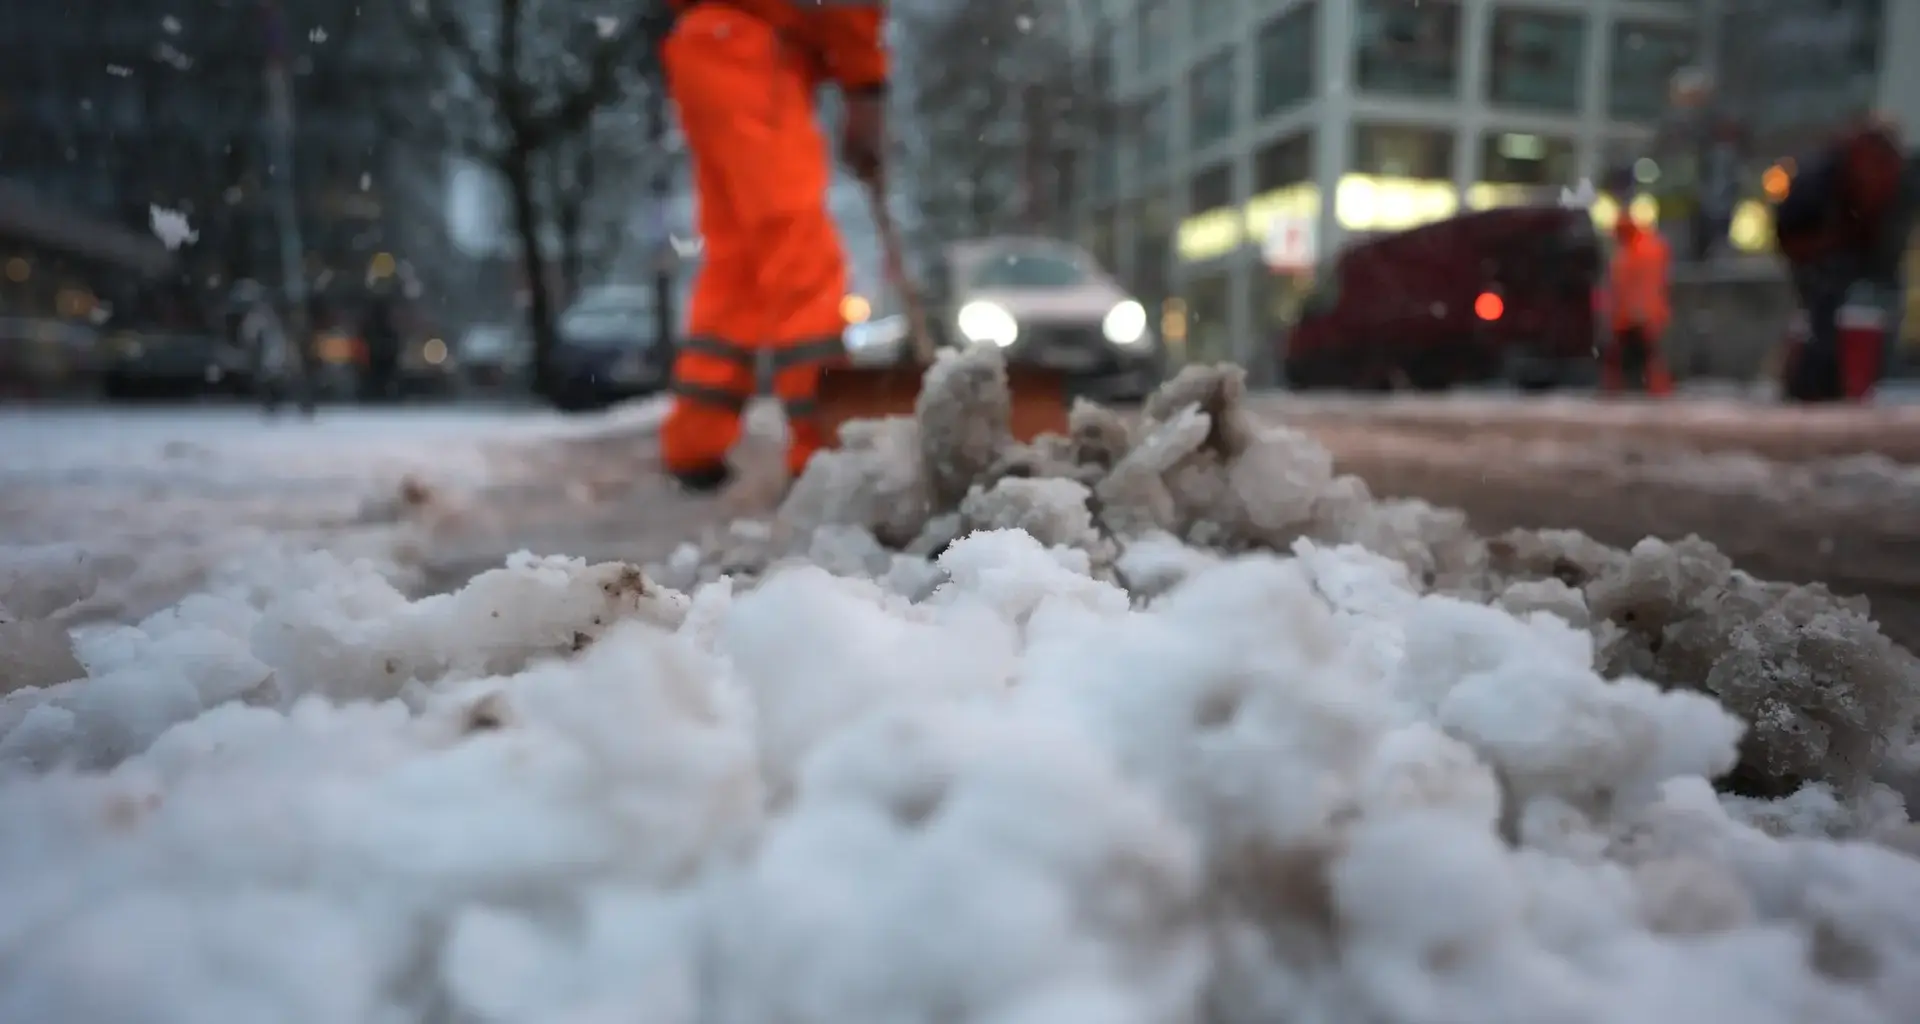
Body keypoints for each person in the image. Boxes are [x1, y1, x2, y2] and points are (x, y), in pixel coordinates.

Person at [657, 0, 888, 494]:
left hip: (709, 41)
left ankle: (696, 439)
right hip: (751, 49)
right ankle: (820, 444)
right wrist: (864, 86)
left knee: (739, 258)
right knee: (799, 251)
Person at [1775, 116, 1912, 402]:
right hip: (1830, 250)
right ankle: (1828, 385)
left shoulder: (1838, 163)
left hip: (1829, 250)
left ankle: (1821, 386)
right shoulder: (1876, 166)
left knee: (1825, 320)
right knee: (1832, 320)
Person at [1602, 214, 1674, 396]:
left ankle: (1621, 390)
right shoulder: (1652, 247)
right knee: (1649, 355)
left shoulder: (1630, 254)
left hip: (1634, 315)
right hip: (1648, 313)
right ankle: (1657, 390)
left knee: (1637, 355)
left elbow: (1624, 286)